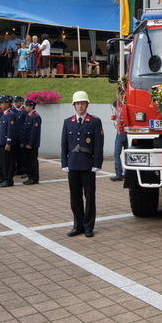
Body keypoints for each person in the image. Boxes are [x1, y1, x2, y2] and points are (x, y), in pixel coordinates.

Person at [61, 91, 104, 238]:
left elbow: (99, 144)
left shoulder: (94, 121)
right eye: (78, 103)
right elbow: (64, 144)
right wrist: (64, 162)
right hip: (73, 163)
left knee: (90, 197)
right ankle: (77, 225)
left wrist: (97, 163)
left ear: (87, 104)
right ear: (74, 105)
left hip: (88, 164)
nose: (80, 106)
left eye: (83, 103)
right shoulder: (68, 122)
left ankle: (88, 226)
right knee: (75, 198)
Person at [0, 96, 17, 187]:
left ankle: (9, 180)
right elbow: (1, 129)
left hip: (6, 143)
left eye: (2, 103)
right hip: (1, 142)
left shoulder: (11, 114)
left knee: (8, 162)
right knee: (3, 162)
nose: (1, 104)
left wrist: (8, 142)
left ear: (7, 103)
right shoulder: (4, 114)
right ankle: (5, 178)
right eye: (0, 103)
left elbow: (10, 130)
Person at [20, 99, 41, 185]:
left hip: (32, 144)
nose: (25, 107)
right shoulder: (29, 116)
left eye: (27, 106)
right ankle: (30, 177)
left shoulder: (36, 117)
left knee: (33, 161)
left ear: (31, 106)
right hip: (26, 143)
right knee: (28, 161)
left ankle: (34, 178)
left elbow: (34, 132)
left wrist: (30, 144)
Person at [110, 100, 126, 181]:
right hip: (127, 133)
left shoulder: (120, 110)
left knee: (116, 154)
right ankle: (127, 173)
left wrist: (117, 122)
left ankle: (119, 174)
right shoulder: (125, 109)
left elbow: (121, 122)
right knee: (127, 153)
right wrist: (115, 118)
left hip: (121, 133)